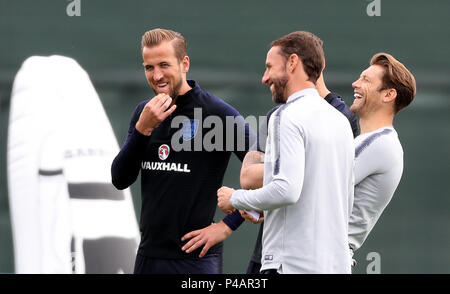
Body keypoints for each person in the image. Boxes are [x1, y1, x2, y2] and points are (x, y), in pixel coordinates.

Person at [111, 28, 255, 274]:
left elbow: (267, 173)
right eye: (149, 67)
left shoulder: (217, 114)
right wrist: (142, 129)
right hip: (149, 257)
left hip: (196, 261)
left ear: (184, 63)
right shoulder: (143, 113)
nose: (157, 76)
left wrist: (227, 226)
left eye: (164, 65)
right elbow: (120, 179)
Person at [217, 31, 355, 274]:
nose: (264, 78)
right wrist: (263, 207)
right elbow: (340, 197)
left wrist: (235, 198)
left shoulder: (286, 115)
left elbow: (286, 189)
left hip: (289, 265)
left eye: (270, 67)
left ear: (292, 63)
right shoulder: (340, 121)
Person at [348, 53, 416, 256]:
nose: (355, 84)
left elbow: (315, 182)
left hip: (321, 259)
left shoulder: (379, 143)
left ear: (388, 95)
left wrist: (253, 198)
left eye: (365, 80)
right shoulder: (378, 142)